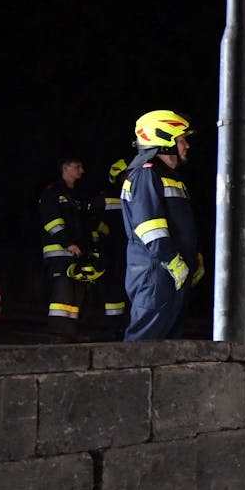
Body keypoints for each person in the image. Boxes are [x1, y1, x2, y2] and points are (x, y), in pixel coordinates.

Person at [122, 110, 203, 341]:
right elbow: (149, 226)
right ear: (164, 141)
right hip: (157, 271)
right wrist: (172, 260)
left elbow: (179, 225)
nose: (186, 145)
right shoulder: (146, 175)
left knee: (167, 343)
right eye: (181, 140)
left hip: (172, 271)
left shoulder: (169, 177)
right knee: (143, 342)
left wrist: (192, 258)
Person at [37, 156, 94, 341]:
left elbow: (85, 225)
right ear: (65, 167)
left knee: (75, 294)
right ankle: (57, 333)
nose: (82, 171)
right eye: (78, 166)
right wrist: (67, 242)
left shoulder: (77, 195)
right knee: (62, 293)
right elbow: (52, 222)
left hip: (76, 253)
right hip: (59, 252)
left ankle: (69, 332)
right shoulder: (52, 192)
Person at [94, 158, 131, 339]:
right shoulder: (107, 196)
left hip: (128, 249)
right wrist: (102, 231)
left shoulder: (133, 192)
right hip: (111, 250)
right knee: (112, 288)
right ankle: (113, 326)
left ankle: (123, 326)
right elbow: (93, 220)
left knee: (126, 287)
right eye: (127, 174)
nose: (130, 176)